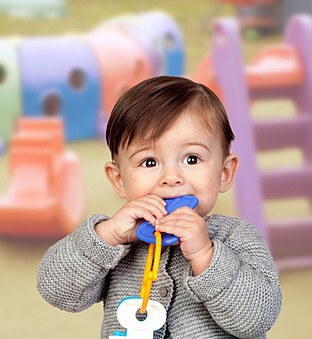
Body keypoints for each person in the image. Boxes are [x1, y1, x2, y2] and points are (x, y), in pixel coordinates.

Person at [37, 76, 282, 338]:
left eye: (192, 158)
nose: (171, 177)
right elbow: (56, 290)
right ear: (119, 180)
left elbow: (258, 318)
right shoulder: (118, 243)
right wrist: (107, 235)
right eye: (150, 162)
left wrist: (204, 255)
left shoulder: (237, 237)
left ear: (224, 172)